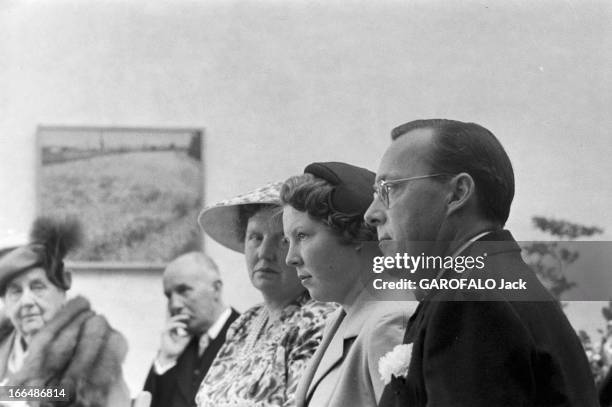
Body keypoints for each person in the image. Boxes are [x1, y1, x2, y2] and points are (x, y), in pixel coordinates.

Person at [364, 119, 598, 406]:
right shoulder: (490, 283)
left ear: (458, 193)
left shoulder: (469, 299)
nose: (371, 213)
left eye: (389, 188)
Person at [281, 162, 412, 407]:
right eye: (287, 240)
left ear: (355, 233)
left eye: (302, 236)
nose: (290, 258)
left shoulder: (391, 320)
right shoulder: (343, 316)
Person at [195, 182, 336, 407]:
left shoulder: (318, 320)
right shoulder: (246, 322)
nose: (264, 253)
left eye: (282, 241)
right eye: (255, 237)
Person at [0, 216, 139, 407]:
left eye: (37, 287)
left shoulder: (91, 347)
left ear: (61, 292)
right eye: (15, 291)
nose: (26, 301)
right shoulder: (4, 343)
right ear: (4, 302)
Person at [143, 252, 240, 407]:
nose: (174, 305)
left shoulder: (247, 335)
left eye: (183, 291)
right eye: (169, 296)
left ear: (216, 289)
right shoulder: (177, 346)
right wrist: (166, 359)